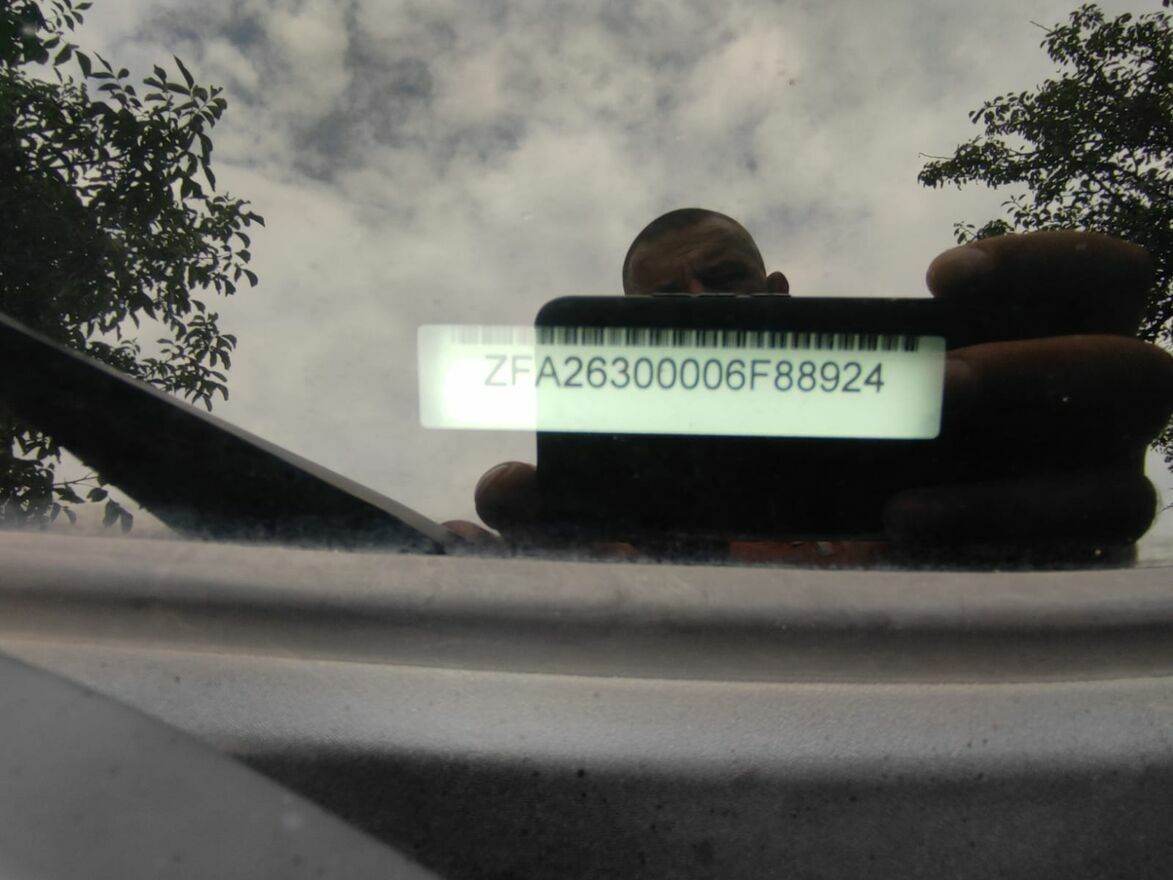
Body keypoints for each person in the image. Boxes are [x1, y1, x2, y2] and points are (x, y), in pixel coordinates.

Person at [447, 209, 1173, 563]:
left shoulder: (928, 433)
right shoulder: (618, 531)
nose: (703, 302)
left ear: (778, 292)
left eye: (724, 277)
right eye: (666, 301)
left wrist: (1065, 554)